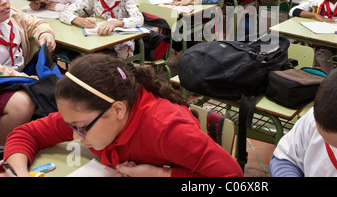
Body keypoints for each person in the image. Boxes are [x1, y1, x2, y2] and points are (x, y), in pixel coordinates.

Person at [3, 53, 244, 177]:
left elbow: (232, 177)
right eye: (72, 126)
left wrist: (161, 174)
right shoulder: (88, 114)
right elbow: (26, 132)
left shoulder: (169, 130)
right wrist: (19, 172)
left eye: (82, 127)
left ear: (117, 110)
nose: (76, 137)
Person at [0, 0, 56, 146]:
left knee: (59, 85)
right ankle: (5, 149)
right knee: (23, 104)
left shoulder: (12, 16)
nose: (4, 1)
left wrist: (45, 33)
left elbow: (36, 23)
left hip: (19, 78)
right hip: (6, 81)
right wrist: (28, 79)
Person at [59, 0, 144, 59]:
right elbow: (64, 13)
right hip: (99, 39)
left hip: (122, 41)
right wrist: (79, 20)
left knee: (121, 64)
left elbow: (139, 19)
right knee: (93, 63)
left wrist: (116, 23)